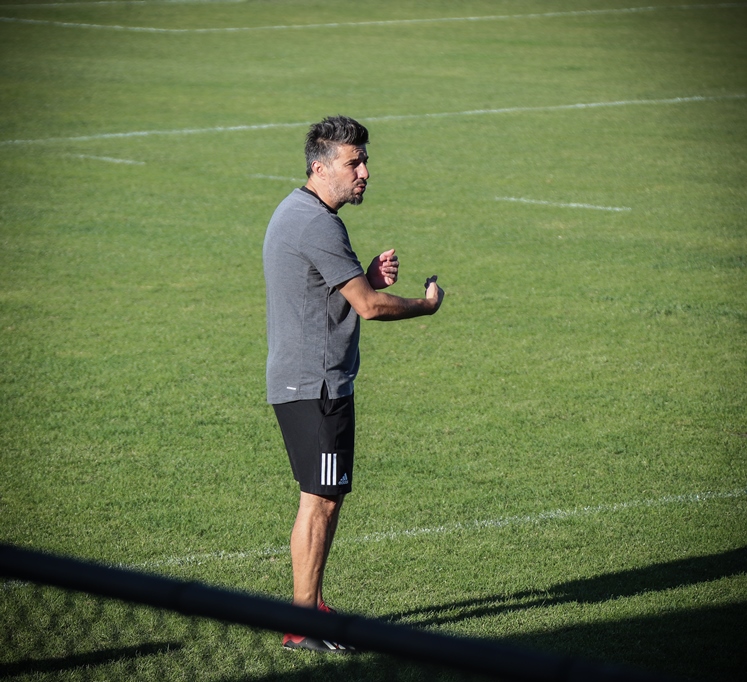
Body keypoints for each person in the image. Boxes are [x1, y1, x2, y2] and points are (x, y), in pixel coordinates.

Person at [263, 115, 444, 653]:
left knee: (323, 497)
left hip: (305, 380)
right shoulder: (318, 224)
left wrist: (362, 275)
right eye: (354, 163)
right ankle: (303, 622)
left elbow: (328, 291)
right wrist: (426, 306)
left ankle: (310, 607)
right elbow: (368, 307)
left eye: (365, 161)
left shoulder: (297, 210)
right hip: (317, 386)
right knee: (320, 500)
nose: (364, 172)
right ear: (320, 168)